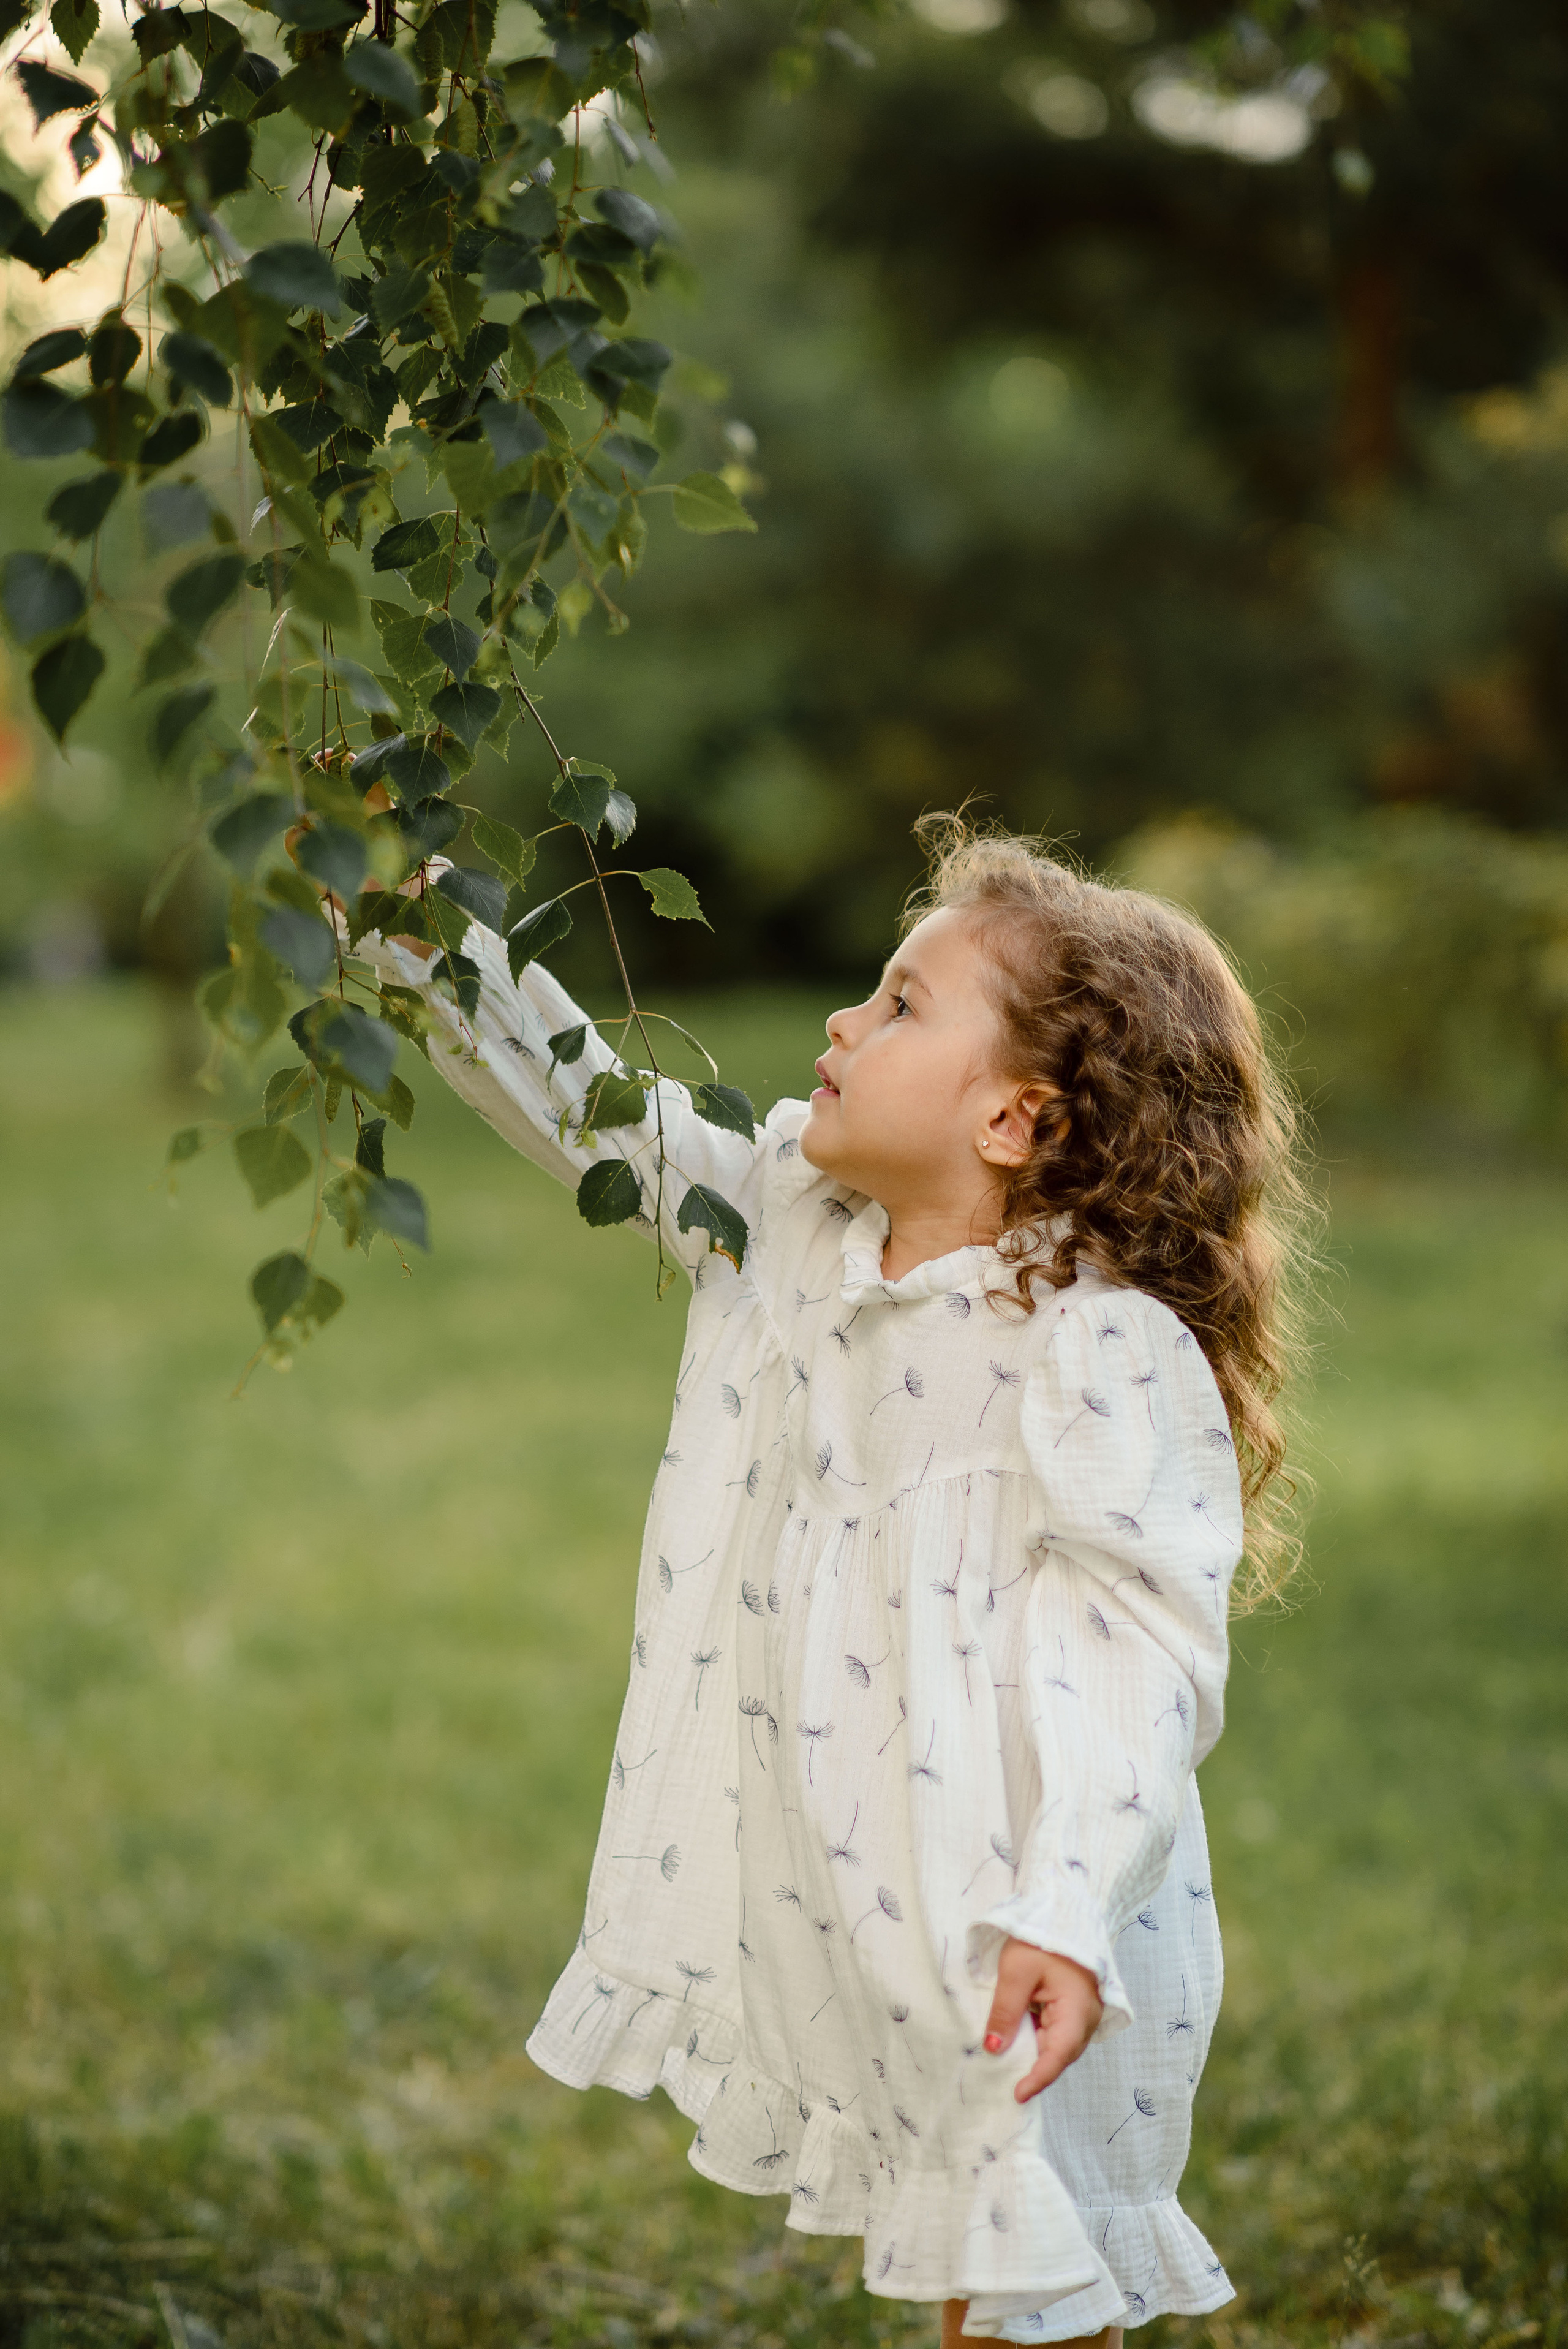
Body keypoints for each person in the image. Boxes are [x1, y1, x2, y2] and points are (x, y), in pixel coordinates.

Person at [351, 820, 1311, 2345]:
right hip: (848, 1857)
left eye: (899, 1004)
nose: (841, 1024)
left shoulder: (1093, 1346)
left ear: (1014, 1117)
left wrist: (1065, 1904)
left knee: (1022, 2250)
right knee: (962, 2230)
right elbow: (597, 1113)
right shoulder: (790, 1227)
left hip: (1017, 1879)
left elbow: (1141, 1652)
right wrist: (423, 927)